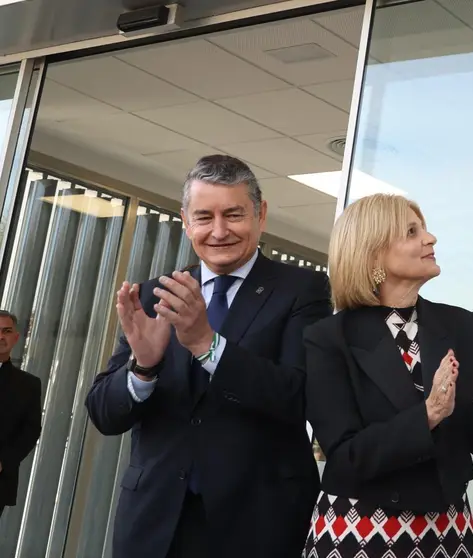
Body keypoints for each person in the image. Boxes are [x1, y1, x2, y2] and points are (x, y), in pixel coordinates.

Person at [85, 155, 330, 558]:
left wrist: (206, 344)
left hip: (256, 521)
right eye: (204, 217)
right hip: (155, 522)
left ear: (261, 214)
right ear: (185, 220)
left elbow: (298, 396)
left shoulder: (302, 290)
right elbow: (104, 414)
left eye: (233, 214)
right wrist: (143, 368)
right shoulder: (154, 295)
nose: (219, 231)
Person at [302, 194, 473, 558]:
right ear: (373, 253)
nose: (430, 239)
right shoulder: (328, 338)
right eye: (412, 232)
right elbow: (347, 455)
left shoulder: (462, 325)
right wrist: (427, 416)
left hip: (447, 530)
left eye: (425, 230)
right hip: (361, 528)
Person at [0, 310, 41, 521]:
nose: (1, 336)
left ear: (15, 338)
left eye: (6, 331)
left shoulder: (29, 385)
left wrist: (3, 461)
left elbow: (31, 431)